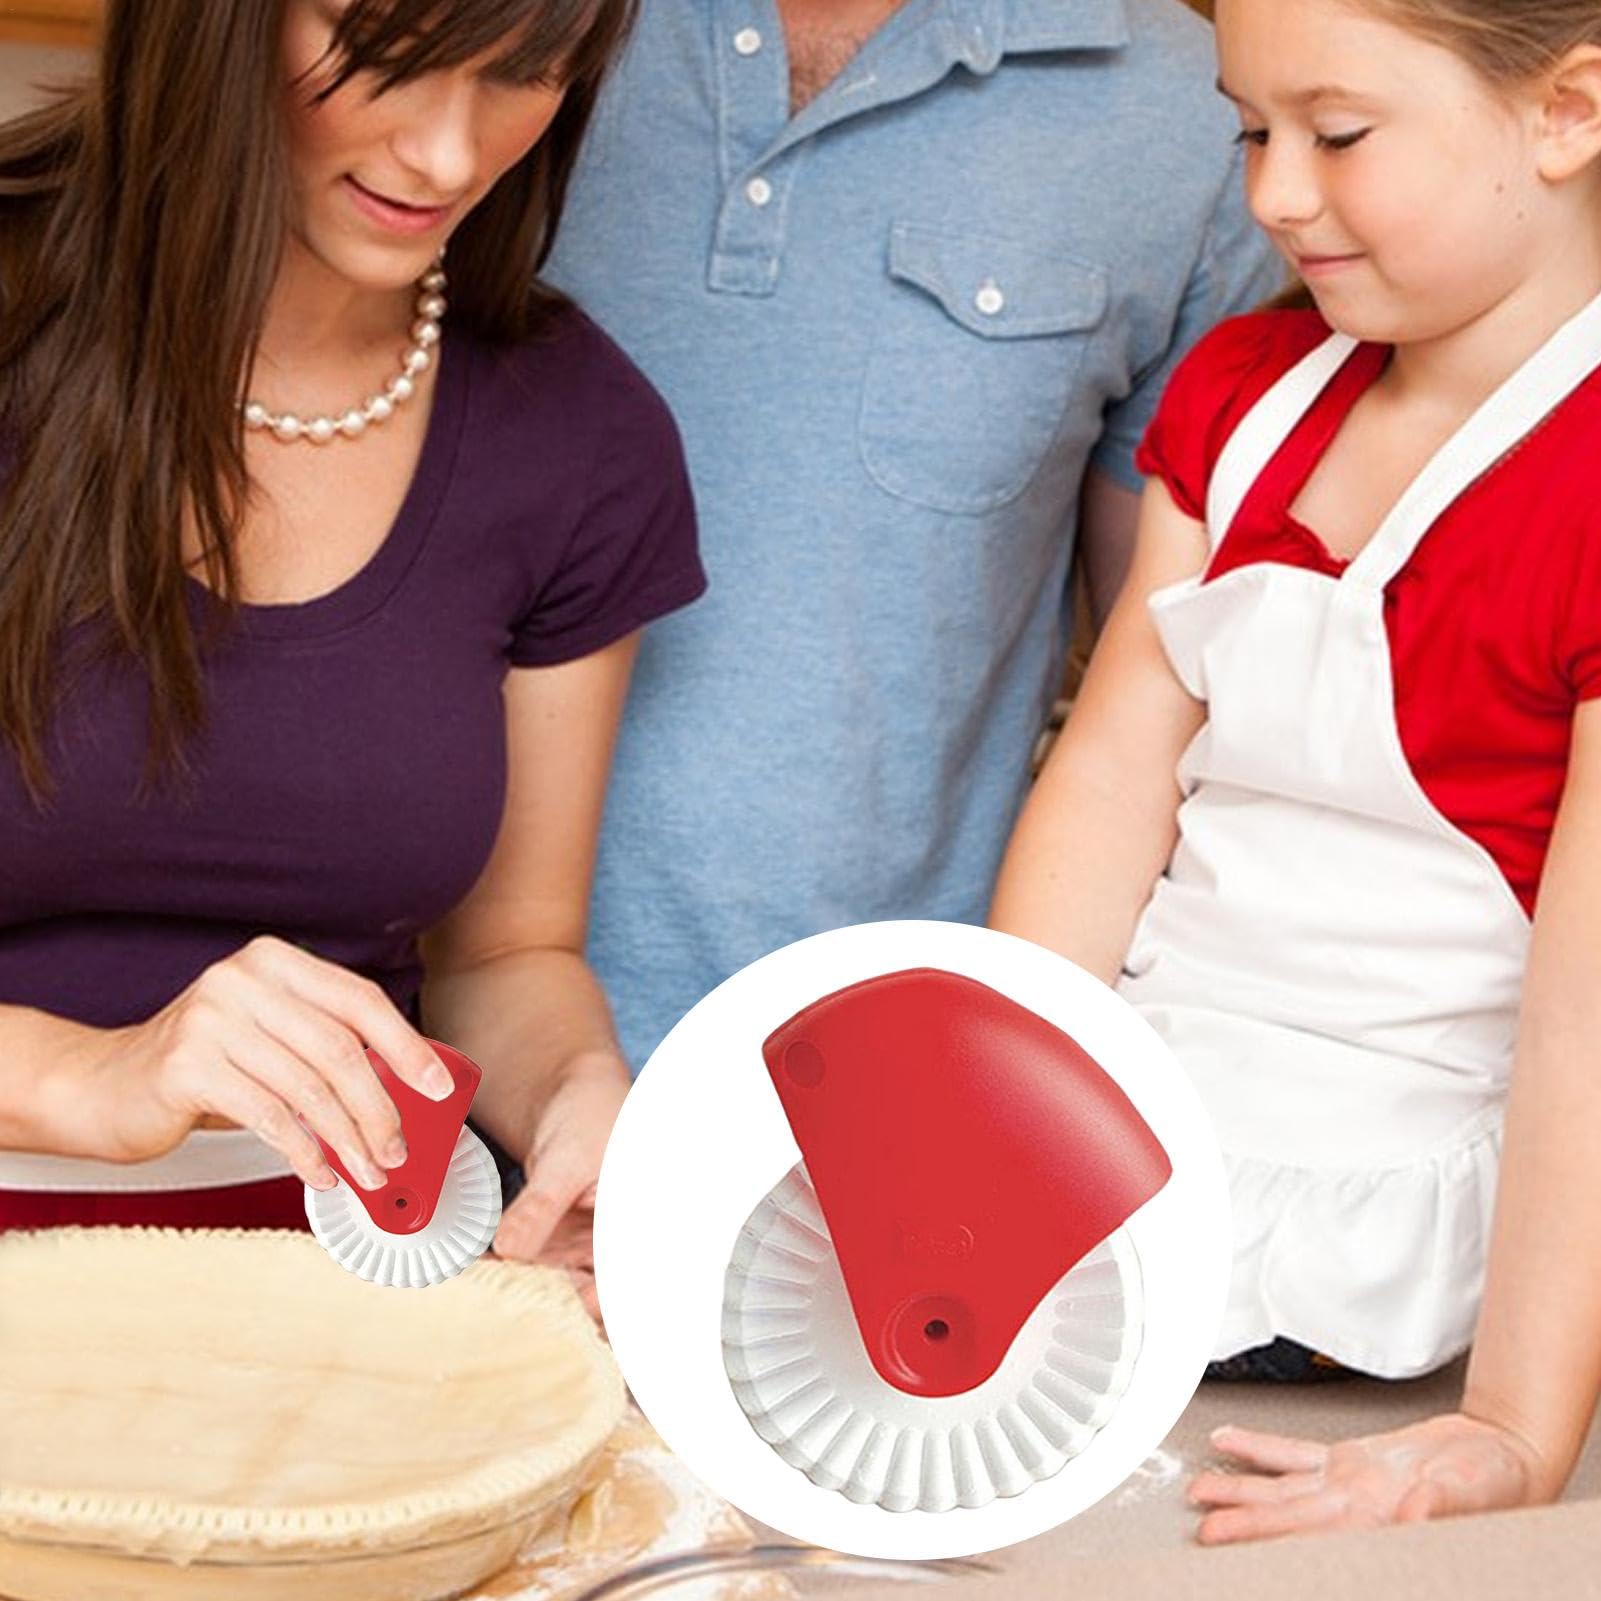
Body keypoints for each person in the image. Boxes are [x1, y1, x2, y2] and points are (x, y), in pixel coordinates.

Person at [991, 0, 1601, 1542]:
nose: (1269, 192)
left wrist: (1515, 1429)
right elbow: (1109, 793)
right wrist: (975, 1140)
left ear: (1568, 110)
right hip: (1118, 1177)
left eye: (1335, 134)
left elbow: (1585, 1011)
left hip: (1395, 1272)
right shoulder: (1243, 393)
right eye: (1248, 128)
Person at [0, 0, 704, 1299]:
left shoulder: (580, 435)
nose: (448, 155)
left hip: (351, 1297)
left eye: (523, 73)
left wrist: (582, 1103)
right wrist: (86, 1075)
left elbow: (504, 958)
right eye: (390, 51)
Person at [539, 0, 1284, 1068]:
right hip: (416, 1062)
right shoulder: (501, 30)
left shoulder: (1200, 108)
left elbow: (1159, 704)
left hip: (887, 1092)